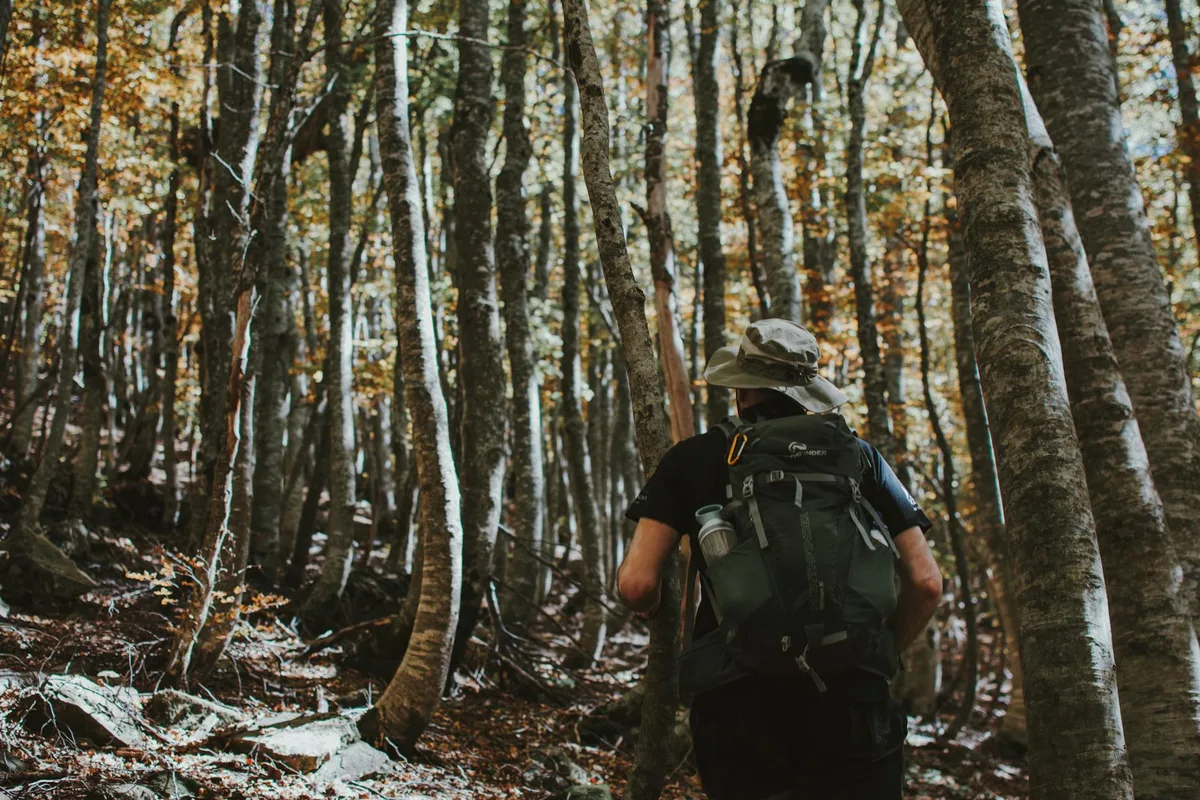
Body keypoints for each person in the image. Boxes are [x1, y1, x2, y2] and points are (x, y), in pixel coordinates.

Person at [617, 319, 943, 800]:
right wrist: (876, 652)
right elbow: (927, 583)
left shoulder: (695, 458)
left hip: (738, 701)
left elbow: (637, 583)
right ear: (808, 389)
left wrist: (648, 604)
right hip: (852, 700)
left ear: (741, 391)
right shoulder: (860, 458)